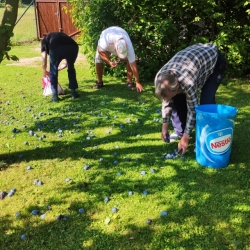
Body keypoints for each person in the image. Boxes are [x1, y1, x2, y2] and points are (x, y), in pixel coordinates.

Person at [154, 43, 227, 154]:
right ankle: (179, 132)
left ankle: (209, 136)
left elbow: (193, 110)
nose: (168, 99)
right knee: (176, 100)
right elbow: (166, 100)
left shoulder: (188, 82)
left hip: (214, 61)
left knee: (205, 103)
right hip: (194, 60)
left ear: (177, 87)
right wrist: (164, 126)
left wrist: (186, 138)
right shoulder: (160, 79)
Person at [93, 26, 143, 92]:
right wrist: (109, 62)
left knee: (129, 59)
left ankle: (130, 82)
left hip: (120, 35)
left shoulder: (128, 44)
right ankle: (99, 82)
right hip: (107, 42)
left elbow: (133, 64)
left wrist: (138, 82)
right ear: (116, 48)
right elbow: (100, 51)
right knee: (98, 59)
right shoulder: (105, 41)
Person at [41, 32, 79, 102]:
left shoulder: (44, 40)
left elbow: (44, 59)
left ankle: (55, 96)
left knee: (53, 72)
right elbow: (65, 64)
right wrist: (58, 68)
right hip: (73, 46)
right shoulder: (59, 36)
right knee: (71, 68)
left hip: (56, 47)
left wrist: (44, 71)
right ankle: (73, 93)